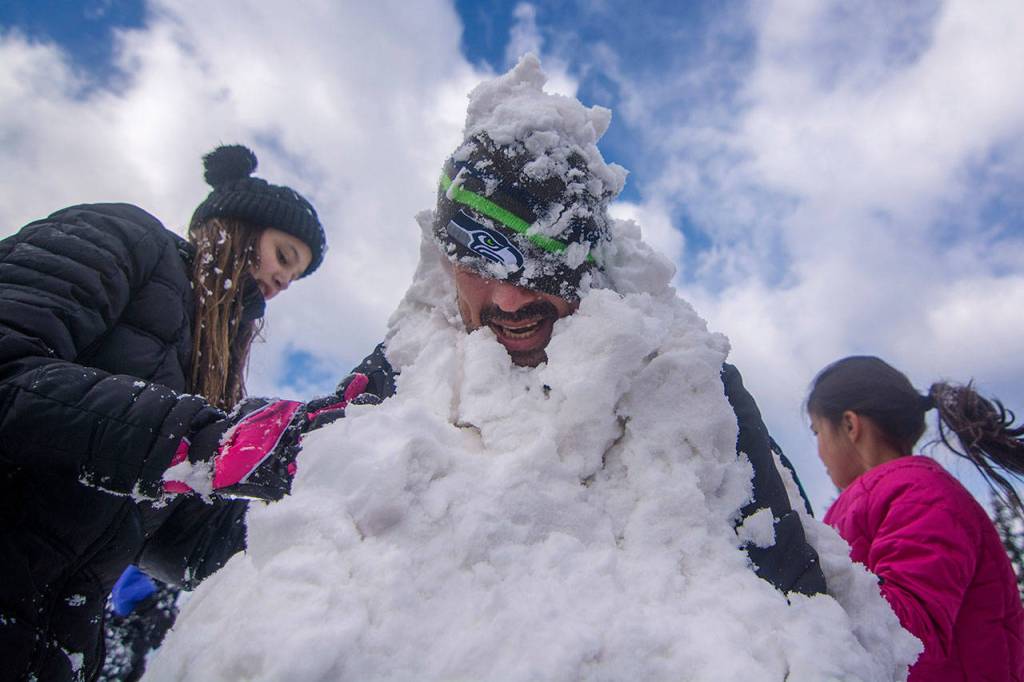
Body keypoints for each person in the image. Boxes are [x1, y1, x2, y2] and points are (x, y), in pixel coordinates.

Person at [345, 131, 827, 598]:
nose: (510, 301)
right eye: (482, 263)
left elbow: (790, 611)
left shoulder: (687, 388)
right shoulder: (404, 368)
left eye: (540, 267)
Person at [0, 144, 357, 682]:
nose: (284, 281)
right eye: (284, 256)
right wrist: (208, 442)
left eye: (296, 275)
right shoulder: (124, 239)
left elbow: (169, 535)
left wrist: (319, 521)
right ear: (237, 226)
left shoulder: (207, 366)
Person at [807, 355, 1024, 680]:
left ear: (850, 425)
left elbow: (906, 637)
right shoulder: (886, 496)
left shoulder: (920, 493)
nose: (819, 450)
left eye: (816, 432)